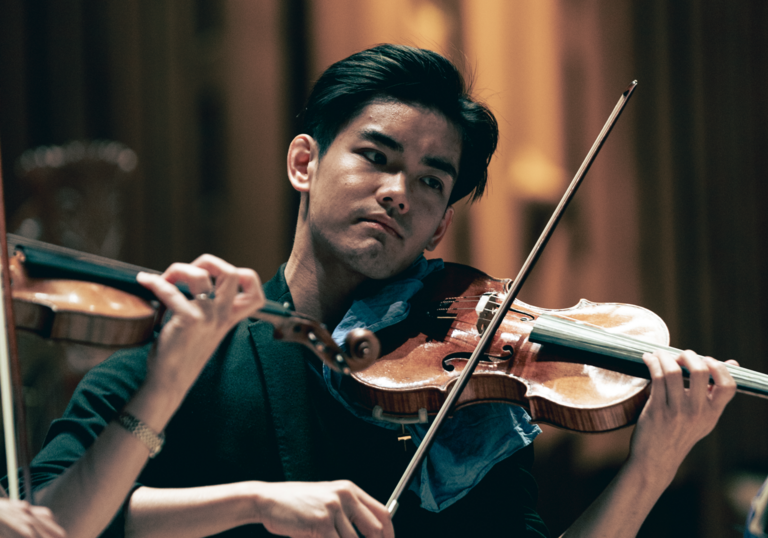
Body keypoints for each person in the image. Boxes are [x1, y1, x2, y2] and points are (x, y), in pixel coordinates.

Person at [21, 44, 736, 538]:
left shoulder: (470, 398)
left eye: (430, 180)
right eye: (375, 155)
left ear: (441, 223)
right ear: (306, 161)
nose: (399, 192)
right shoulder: (185, 354)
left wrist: (653, 465)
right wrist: (255, 505)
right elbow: (49, 517)